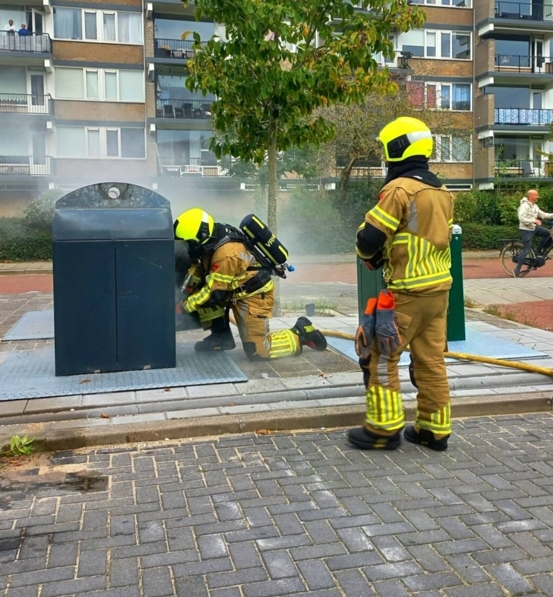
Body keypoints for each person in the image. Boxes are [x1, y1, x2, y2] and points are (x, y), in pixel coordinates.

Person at [351, 116, 454, 451]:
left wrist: (369, 249)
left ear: (397, 148)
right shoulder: (442, 191)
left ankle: (383, 429)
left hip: (408, 291)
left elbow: (369, 240)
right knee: (430, 359)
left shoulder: (399, 190)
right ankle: (434, 430)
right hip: (439, 292)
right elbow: (417, 234)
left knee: (379, 354)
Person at [174, 208, 326, 361]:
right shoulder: (212, 239)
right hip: (234, 290)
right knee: (201, 297)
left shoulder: (226, 254)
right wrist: (187, 289)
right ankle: (221, 337)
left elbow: (214, 292)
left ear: (201, 236)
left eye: (189, 243)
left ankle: (301, 333)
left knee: (258, 351)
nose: (187, 247)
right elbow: (200, 268)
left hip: (254, 296)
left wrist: (184, 307)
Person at [514, 189, 553, 277]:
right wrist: (534, 220)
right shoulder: (524, 206)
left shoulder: (535, 206)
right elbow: (521, 219)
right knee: (526, 249)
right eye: (536, 195)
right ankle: (517, 270)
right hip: (526, 230)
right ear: (531, 197)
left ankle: (539, 251)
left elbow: (543, 215)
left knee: (549, 233)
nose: (538, 197)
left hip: (533, 228)